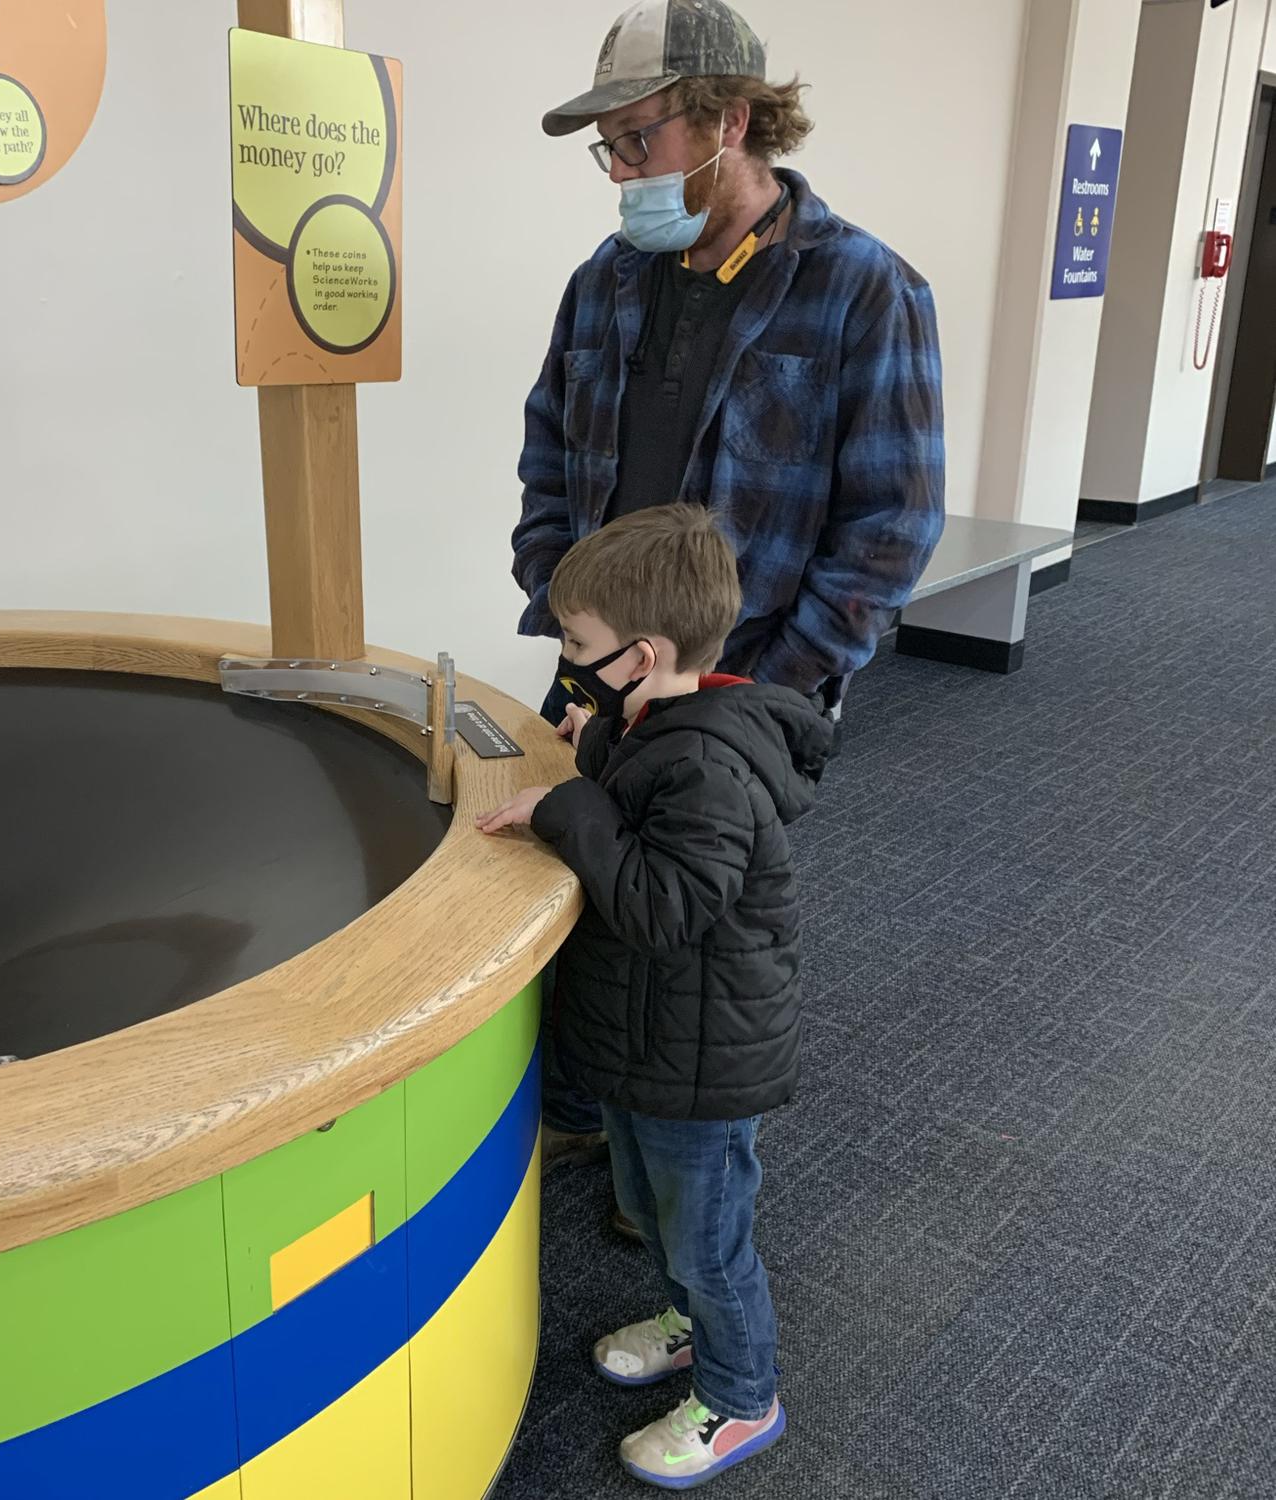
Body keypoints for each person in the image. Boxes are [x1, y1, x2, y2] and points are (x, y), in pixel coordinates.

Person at [513, 0, 946, 1179]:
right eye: (605, 149)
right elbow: (549, 447)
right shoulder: (607, 281)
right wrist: (554, 590)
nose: (618, 174)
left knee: (696, 942)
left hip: (739, 687)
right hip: (601, 658)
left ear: (731, 122)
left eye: (637, 140)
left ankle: (676, 1187)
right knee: (586, 883)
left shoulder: (864, 291)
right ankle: (593, 1113)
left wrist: (773, 688)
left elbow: (893, 527)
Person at [478, 504, 830, 1488]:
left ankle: (740, 1394)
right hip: (653, 1038)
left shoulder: (708, 764)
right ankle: (686, 1323)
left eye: (579, 644)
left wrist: (571, 803)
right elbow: (637, 809)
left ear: (645, 652)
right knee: (651, 1201)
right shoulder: (657, 720)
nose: (565, 656)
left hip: (702, 1057)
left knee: (709, 1236)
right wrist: (596, 752)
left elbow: (662, 906)